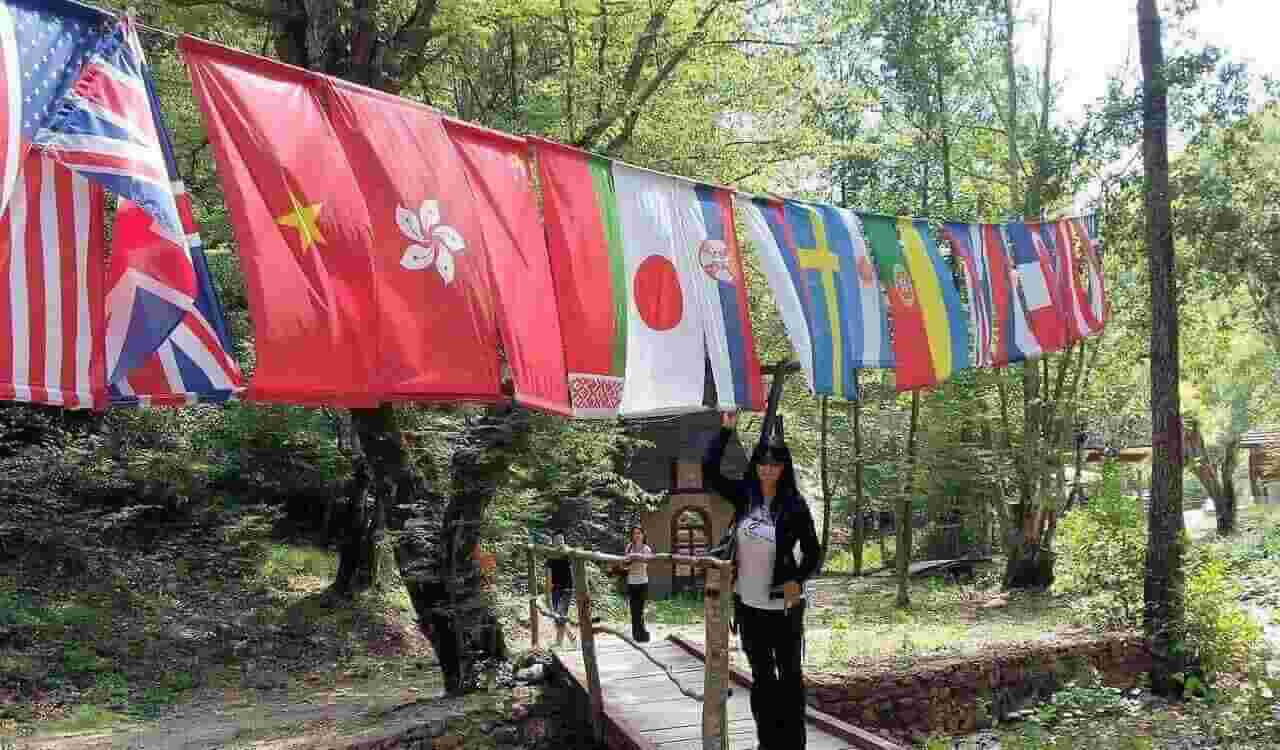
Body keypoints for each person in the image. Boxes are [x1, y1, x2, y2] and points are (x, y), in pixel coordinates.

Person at [704, 411, 821, 750]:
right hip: (748, 606)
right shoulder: (745, 496)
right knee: (763, 678)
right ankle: (768, 743)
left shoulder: (795, 505)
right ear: (756, 466)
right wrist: (726, 430)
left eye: (775, 463)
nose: (768, 469)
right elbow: (710, 472)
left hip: (783, 607)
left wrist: (797, 579)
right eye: (763, 463)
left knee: (790, 678)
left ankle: (793, 745)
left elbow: (813, 553)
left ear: (783, 468)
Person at [545, 533, 575, 648]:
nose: (560, 541)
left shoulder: (568, 555)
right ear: (553, 542)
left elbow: (573, 571)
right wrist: (548, 591)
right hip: (556, 589)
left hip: (567, 588)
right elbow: (548, 576)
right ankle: (562, 640)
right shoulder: (551, 557)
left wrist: (574, 587)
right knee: (559, 615)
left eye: (562, 539)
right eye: (557, 539)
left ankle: (567, 638)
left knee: (560, 615)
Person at [624, 526, 653, 643]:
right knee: (633, 610)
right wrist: (630, 560)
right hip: (631, 581)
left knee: (640, 610)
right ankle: (636, 635)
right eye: (634, 533)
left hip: (642, 582)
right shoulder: (629, 547)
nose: (636, 535)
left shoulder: (646, 549)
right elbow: (625, 563)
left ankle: (643, 635)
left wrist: (635, 558)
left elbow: (645, 563)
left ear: (643, 535)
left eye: (639, 533)